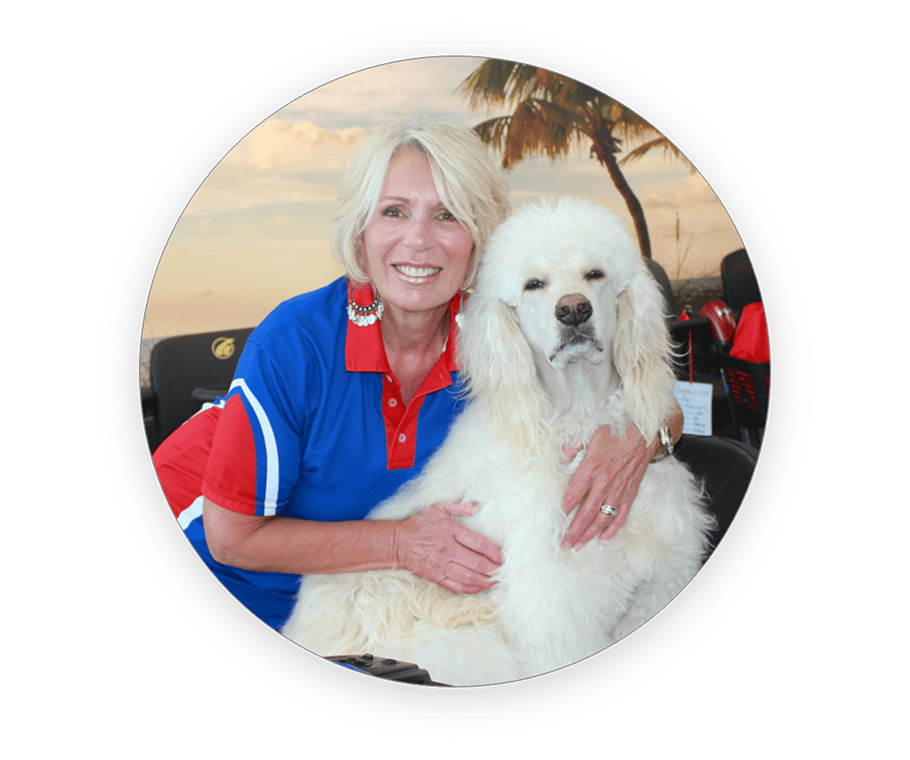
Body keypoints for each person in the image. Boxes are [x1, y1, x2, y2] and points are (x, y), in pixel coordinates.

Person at [152, 112, 683, 631]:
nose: (420, 239)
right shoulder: (293, 341)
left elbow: (648, 395)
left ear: (478, 239)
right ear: (360, 235)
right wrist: (402, 543)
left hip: (365, 602)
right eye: (394, 211)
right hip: (234, 575)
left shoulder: (494, 330)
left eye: (447, 214)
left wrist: (640, 436)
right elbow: (232, 538)